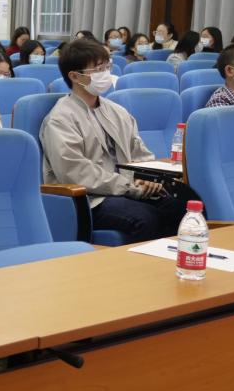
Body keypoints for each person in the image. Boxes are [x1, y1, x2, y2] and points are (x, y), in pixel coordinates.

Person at [41, 38, 194, 241]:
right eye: (98, 69)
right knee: (145, 218)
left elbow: (139, 151)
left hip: (128, 189)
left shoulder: (117, 111)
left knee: (184, 204)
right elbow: (75, 172)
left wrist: (149, 178)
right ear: (75, 76)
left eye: (107, 67)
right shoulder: (60, 119)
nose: (105, 74)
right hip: (91, 198)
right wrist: (130, 185)